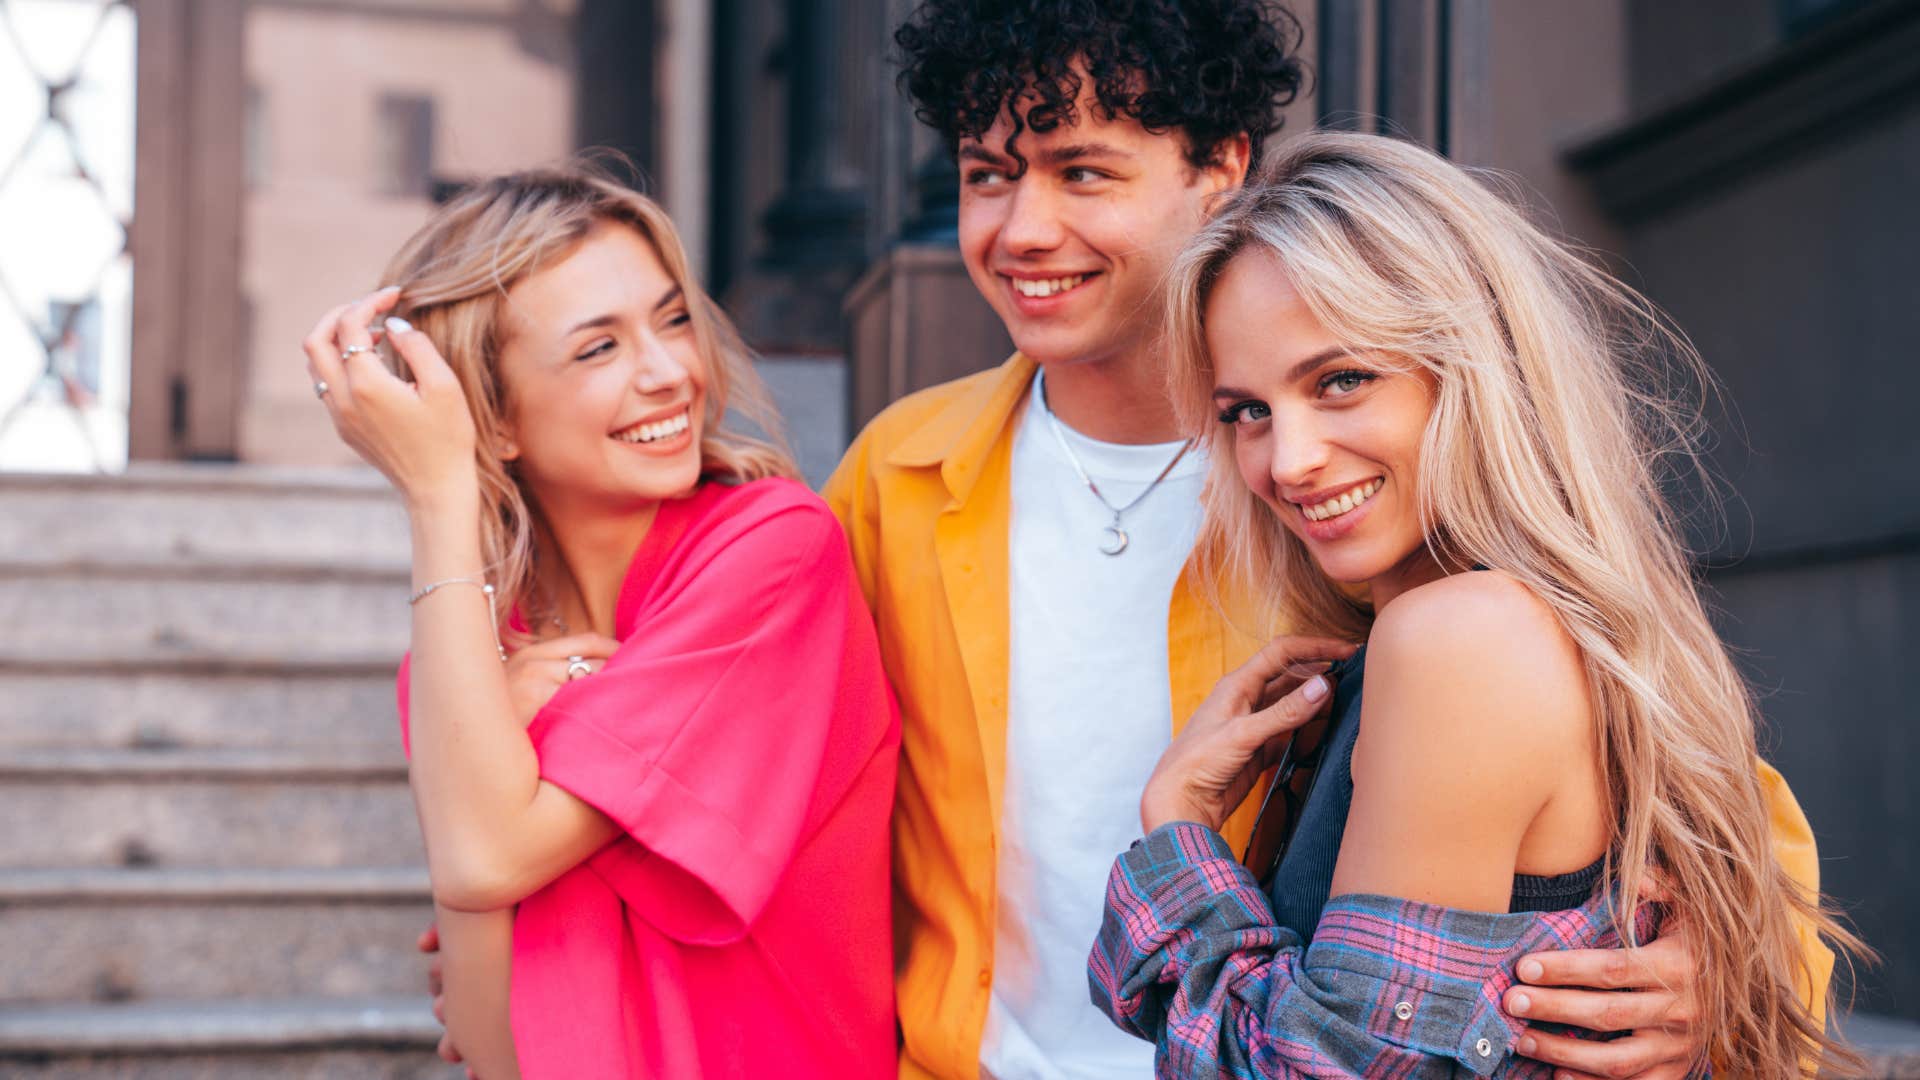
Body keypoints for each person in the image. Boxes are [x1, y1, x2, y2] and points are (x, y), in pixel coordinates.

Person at [825, 3, 1833, 1078]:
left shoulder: (1365, 529)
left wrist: (1713, 978)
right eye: (986, 174)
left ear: (1219, 165)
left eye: (1082, 172)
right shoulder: (895, 475)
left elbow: (1699, 808)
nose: (1021, 228)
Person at [1087, 131, 1860, 1079]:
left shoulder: (1463, 637)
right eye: (1246, 410)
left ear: (1473, 368)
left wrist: (1176, 838)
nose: (1286, 462)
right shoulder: (1500, 631)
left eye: (1342, 381)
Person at [301, 161, 899, 1079]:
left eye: (670, 321)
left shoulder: (773, 553)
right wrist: (442, 498)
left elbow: (485, 861)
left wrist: (528, 728)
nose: (669, 374)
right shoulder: (461, 652)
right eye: (598, 349)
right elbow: (487, 1039)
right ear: (492, 420)